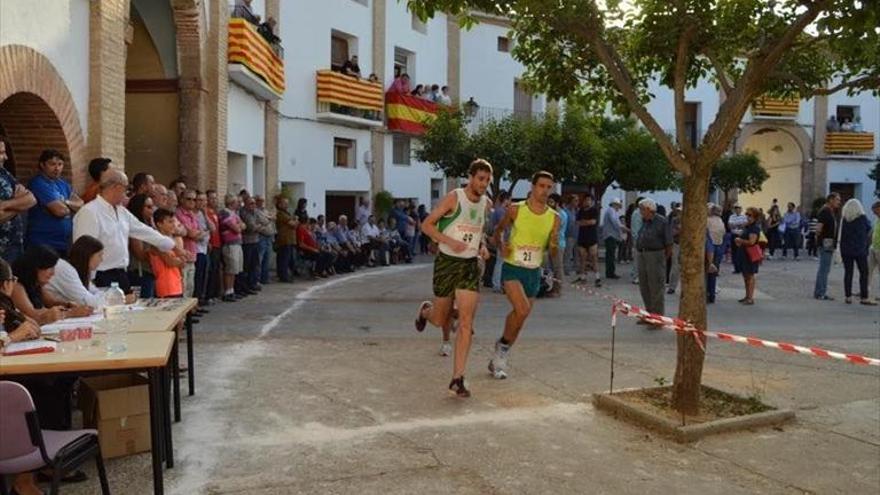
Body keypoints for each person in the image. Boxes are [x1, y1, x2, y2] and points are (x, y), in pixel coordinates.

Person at [415, 159, 493, 397]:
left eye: (487, 180)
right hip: (447, 263)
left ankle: (457, 378)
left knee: (466, 323)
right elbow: (426, 226)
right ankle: (425, 311)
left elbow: (479, 231)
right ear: (471, 177)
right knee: (440, 320)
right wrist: (449, 241)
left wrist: (482, 246)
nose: (483, 184)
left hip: (469, 266)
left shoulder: (486, 204)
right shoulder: (454, 197)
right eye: (480, 179)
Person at [489, 171, 559, 380]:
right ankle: (501, 354)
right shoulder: (516, 210)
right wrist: (502, 246)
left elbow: (552, 252)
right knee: (522, 308)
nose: (545, 190)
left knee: (521, 318)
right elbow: (497, 232)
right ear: (533, 186)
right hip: (513, 268)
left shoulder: (554, 218)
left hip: (533, 272)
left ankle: (501, 349)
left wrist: (554, 244)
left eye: (549, 187)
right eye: (542, 186)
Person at [72, 169, 178, 293]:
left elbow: (143, 230)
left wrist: (172, 245)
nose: (127, 194)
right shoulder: (90, 212)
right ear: (116, 187)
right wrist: (89, 283)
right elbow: (84, 251)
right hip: (100, 276)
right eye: (126, 189)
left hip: (121, 274)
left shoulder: (121, 211)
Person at [11, 245, 92, 325]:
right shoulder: (16, 286)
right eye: (50, 268)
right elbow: (33, 315)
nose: (53, 273)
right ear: (36, 267)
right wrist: (70, 313)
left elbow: (51, 302)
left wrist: (68, 305)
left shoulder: (35, 283)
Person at [27, 149, 83, 256]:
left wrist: (65, 202)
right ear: (42, 165)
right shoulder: (38, 183)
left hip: (62, 244)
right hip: (43, 244)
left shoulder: (63, 184)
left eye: (60, 164)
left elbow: (80, 205)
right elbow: (60, 211)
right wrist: (69, 206)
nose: (57, 168)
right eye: (52, 164)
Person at [635, 198, 672, 322]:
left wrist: (663, 258)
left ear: (649, 209)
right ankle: (648, 313)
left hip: (655, 254)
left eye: (642, 209)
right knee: (644, 286)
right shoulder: (644, 221)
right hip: (643, 254)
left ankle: (657, 317)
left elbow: (669, 243)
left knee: (656, 286)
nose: (640, 212)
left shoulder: (662, 222)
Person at [0, 136, 36, 263]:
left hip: (15, 245)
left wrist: (5, 205)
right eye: (1, 153)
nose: (6, 157)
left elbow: (31, 199)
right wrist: (19, 204)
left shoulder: (4, 173)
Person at [839, 199, 875, 305]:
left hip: (846, 249)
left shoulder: (844, 220)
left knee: (848, 272)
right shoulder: (862, 218)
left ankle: (848, 296)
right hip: (860, 249)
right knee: (864, 273)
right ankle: (864, 297)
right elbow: (869, 230)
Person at [150, 209, 187, 298]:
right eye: (170, 222)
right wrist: (180, 259)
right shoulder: (157, 242)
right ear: (159, 224)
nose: (173, 225)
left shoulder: (171, 241)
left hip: (176, 284)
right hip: (166, 286)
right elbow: (171, 262)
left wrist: (180, 259)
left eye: (173, 221)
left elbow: (182, 261)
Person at [126, 193, 157, 298]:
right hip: (140, 273)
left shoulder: (149, 225)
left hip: (151, 271)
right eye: (148, 207)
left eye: (152, 207)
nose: (151, 210)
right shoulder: (135, 228)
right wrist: (157, 254)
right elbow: (139, 253)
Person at [814, 192, 842, 300]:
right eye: (837, 200)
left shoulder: (830, 211)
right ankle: (821, 292)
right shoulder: (825, 211)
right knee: (824, 269)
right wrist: (820, 241)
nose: (839, 202)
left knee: (825, 269)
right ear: (831, 200)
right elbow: (819, 228)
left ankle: (820, 291)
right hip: (826, 243)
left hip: (828, 243)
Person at [218, 194, 246, 301]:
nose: (238, 204)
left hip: (237, 243)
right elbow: (237, 228)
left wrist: (239, 225)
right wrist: (239, 226)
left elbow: (244, 225)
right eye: (236, 202)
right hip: (230, 244)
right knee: (230, 268)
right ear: (231, 203)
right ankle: (227, 291)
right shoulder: (224, 213)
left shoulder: (234, 213)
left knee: (235, 269)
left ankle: (231, 290)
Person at [734, 207, 763, 305]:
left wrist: (740, 240)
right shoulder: (748, 227)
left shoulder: (754, 228)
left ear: (755, 216)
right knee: (745, 275)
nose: (747, 217)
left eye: (750, 215)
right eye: (747, 214)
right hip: (744, 253)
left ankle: (750, 298)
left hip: (750, 254)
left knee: (750, 275)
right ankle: (747, 296)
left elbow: (752, 242)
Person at [575, 193, 601, 287]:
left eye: (589, 200)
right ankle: (583, 276)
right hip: (582, 237)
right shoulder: (580, 211)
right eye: (586, 200)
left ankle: (597, 277)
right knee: (583, 258)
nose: (588, 202)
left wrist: (584, 222)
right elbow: (577, 223)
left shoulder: (594, 210)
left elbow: (593, 222)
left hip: (592, 237)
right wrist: (586, 222)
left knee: (594, 257)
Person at [546, 193, 568, 297]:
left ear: (557, 203)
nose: (549, 204)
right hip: (552, 243)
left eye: (551, 202)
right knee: (554, 267)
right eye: (548, 202)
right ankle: (554, 288)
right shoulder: (553, 213)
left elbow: (554, 229)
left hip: (558, 244)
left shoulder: (560, 215)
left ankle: (558, 289)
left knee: (558, 268)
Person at [601, 198, 627, 280]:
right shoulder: (611, 211)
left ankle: (611, 272)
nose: (619, 207)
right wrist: (624, 228)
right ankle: (610, 273)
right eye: (618, 205)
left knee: (611, 254)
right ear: (614, 204)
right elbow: (615, 223)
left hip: (612, 236)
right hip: (610, 236)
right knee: (610, 255)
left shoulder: (613, 211)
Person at [275, 196, 299, 282]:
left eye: (287, 203)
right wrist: (296, 220)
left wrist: (295, 221)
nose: (287, 205)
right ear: (280, 204)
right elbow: (293, 224)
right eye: (285, 203)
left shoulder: (287, 213)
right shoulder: (281, 213)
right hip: (284, 239)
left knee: (288, 258)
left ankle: (286, 275)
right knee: (284, 259)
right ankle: (283, 276)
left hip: (290, 239)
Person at [706, 204, 726, 304]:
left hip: (709, 246)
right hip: (719, 246)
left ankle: (707, 293)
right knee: (713, 271)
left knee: (707, 270)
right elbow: (723, 232)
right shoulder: (720, 221)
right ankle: (712, 294)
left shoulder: (707, 221)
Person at [666, 202, 682, 293]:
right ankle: (672, 286)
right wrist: (679, 230)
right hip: (676, 244)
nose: (680, 213)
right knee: (675, 266)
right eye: (679, 211)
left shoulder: (690, 220)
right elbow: (672, 232)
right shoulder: (674, 220)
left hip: (686, 245)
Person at [727, 205, 748, 274]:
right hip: (734, 235)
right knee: (734, 252)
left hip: (741, 235)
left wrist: (735, 225)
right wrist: (739, 224)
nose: (737, 210)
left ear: (741, 209)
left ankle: (742, 267)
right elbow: (730, 225)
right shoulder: (732, 216)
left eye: (739, 208)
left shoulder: (744, 216)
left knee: (741, 251)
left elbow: (745, 225)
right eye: (736, 209)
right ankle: (736, 268)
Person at [563, 194, 580, 276]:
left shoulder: (576, 211)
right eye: (575, 200)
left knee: (577, 253)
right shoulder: (565, 211)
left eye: (577, 200)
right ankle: (566, 269)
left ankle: (577, 268)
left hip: (577, 234)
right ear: (571, 201)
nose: (577, 202)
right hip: (568, 235)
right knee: (568, 253)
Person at [629, 197, 644, 284]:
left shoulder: (637, 212)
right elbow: (637, 228)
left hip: (637, 238)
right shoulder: (638, 213)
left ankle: (635, 274)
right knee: (638, 258)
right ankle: (636, 276)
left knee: (638, 258)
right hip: (638, 238)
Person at [869, 201, 880, 301]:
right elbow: (874, 231)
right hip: (873, 247)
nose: (873, 213)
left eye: (874, 211)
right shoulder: (877, 219)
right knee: (868, 270)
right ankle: (865, 291)